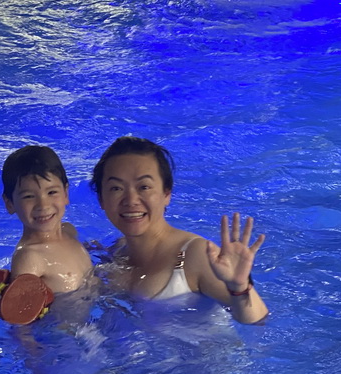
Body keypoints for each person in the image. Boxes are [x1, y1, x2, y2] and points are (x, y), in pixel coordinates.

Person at [91, 136, 269, 324]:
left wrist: (239, 287)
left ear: (166, 193)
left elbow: (257, 320)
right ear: (101, 199)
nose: (131, 200)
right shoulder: (114, 254)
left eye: (144, 187)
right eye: (116, 188)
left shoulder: (197, 255)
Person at [0, 145, 93, 324]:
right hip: (64, 333)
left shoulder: (69, 231)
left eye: (52, 192)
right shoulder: (30, 257)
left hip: (94, 314)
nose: (43, 205)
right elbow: (21, 320)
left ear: (66, 193)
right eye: (29, 196)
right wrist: (32, 348)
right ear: (9, 204)